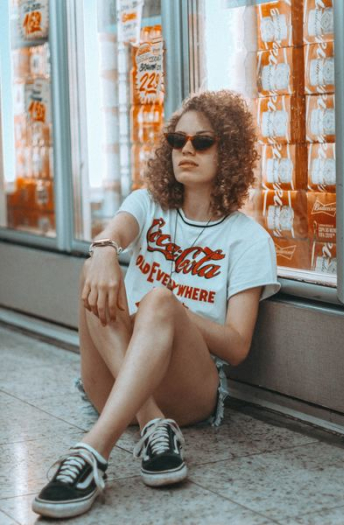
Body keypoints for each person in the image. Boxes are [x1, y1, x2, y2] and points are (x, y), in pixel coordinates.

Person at [32, 90, 280, 519]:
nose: (186, 150)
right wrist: (106, 250)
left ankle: (93, 451)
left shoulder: (249, 239)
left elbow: (238, 347)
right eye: (176, 140)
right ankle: (151, 423)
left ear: (231, 152)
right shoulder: (147, 204)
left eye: (202, 142)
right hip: (111, 377)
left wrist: (172, 311)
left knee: (160, 301)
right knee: (93, 270)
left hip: (189, 390)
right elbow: (117, 231)